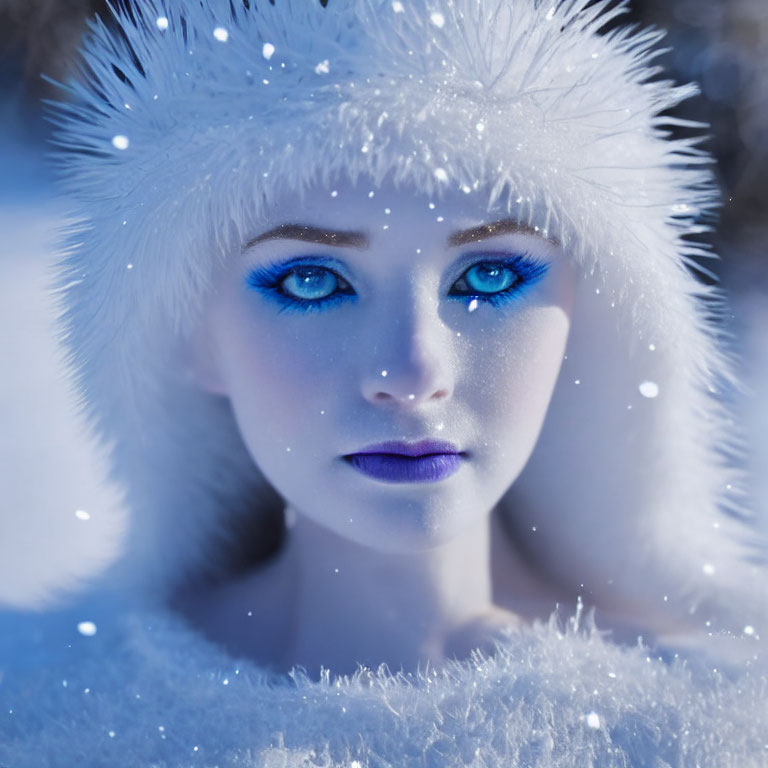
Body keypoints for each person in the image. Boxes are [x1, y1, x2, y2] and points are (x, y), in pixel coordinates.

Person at [1, 0, 766, 764]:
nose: (412, 373)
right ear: (189, 336)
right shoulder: (33, 714)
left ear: (590, 318)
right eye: (310, 281)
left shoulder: (714, 730)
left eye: (491, 274)